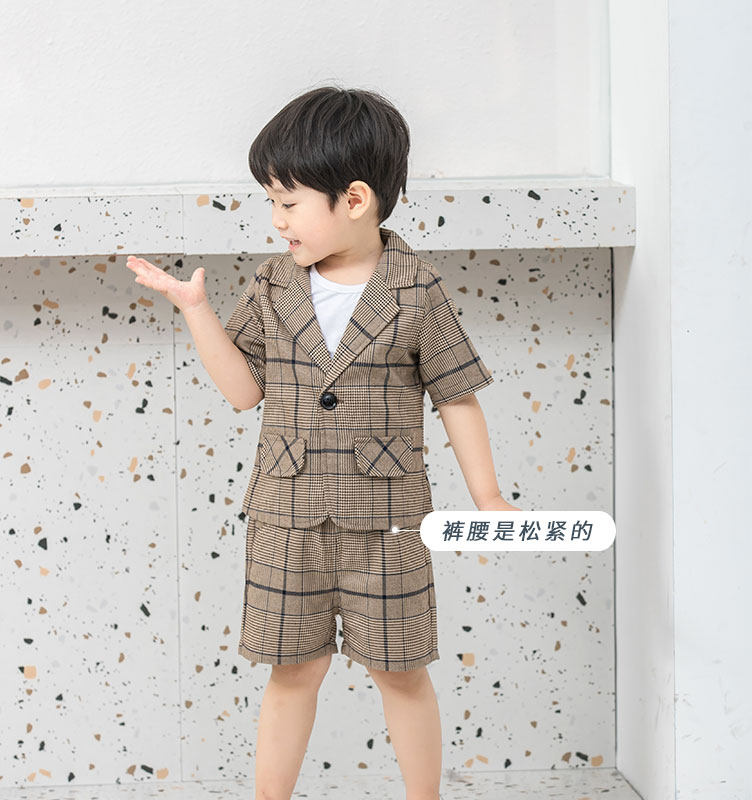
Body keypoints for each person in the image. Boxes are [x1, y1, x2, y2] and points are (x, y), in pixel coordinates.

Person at [126, 85, 518, 800]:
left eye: (287, 202)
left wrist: (487, 496)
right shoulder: (273, 285)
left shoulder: (416, 289)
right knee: (292, 670)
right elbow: (244, 391)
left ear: (355, 199)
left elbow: (456, 393)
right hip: (287, 514)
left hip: (388, 521)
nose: (276, 220)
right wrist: (196, 311)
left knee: (402, 669)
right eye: (271, 202)